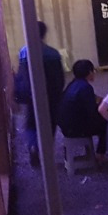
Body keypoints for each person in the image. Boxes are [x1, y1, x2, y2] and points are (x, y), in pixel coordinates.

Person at [15, 20, 65, 165]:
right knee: (50, 123)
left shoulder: (24, 52)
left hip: (31, 96)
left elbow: (22, 76)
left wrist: (20, 94)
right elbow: (59, 78)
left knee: (31, 123)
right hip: (51, 96)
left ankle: (33, 145)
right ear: (44, 34)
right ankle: (46, 151)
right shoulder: (53, 53)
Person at [58, 59, 108, 158]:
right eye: (93, 71)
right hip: (76, 129)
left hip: (66, 127)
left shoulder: (72, 84)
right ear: (89, 72)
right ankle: (100, 155)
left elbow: (94, 98)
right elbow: (92, 112)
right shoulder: (86, 87)